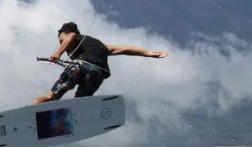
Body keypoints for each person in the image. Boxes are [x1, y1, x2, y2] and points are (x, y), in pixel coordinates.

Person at [32, 22, 168, 105]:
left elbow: (72, 36)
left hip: (79, 68)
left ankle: (31, 111)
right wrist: (149, 53)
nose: (62, 43)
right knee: (78, 104)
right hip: (97, 75)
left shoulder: (72, 37)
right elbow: (126, 49)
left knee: (51, 96)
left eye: (62, 40)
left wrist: (58, 53)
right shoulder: (100, 46)